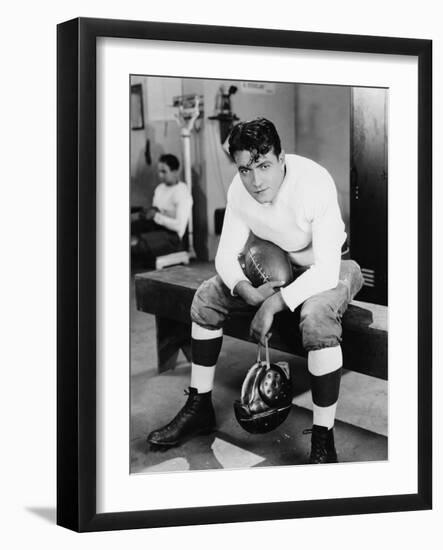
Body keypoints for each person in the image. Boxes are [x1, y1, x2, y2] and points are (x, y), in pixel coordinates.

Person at [147, 118, 364, 464]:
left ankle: (323, 438)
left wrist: (273, 305)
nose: (256, 179)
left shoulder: (313, 182)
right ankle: (199, 406)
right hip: (277, 262)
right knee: (206, 297)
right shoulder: (239, 189)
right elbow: (224, 256)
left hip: (330, 266)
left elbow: (324, 269)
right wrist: (247, 292)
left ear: (281, 159)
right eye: (245, 169)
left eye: (264, 166)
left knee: (317, 320)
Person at [131, 154, 192, 267]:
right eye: (159, 171)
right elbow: (156, 211)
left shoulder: (182, 192)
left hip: (172, 238)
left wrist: (156, 216)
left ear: (175, 171)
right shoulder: (159, 189)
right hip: (156, 228)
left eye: (164, 171)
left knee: (136, 244)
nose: (160, 175)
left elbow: (179, 226)